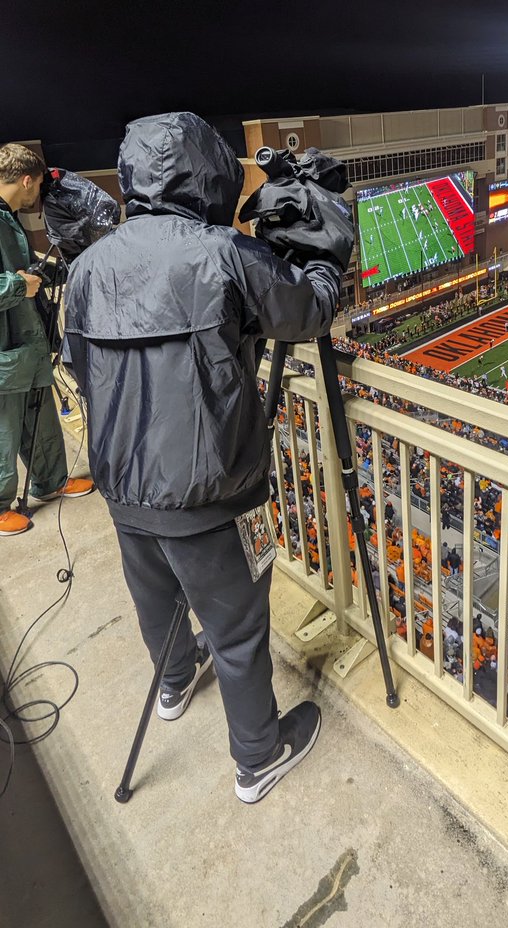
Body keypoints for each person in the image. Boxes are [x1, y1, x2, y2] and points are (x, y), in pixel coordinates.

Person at [64, 113, 352, 804]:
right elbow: (310, 311)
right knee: (238, 630)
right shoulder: (222, 252)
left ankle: (172, 684)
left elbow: (77, 365)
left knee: (155, 600)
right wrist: (321, 254)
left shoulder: (86, 267)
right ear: (208, 175)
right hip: (211, 493)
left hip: (123, 486)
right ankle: (258, 756)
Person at [0, 143, 94, 537]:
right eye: (38, 186)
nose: (38, 195)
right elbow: (14, 279)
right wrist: (17, 285)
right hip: (5, 348)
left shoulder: (8, 219)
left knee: (40, 418)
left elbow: (22, 267)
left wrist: (59, 270)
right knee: (4, 429)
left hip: (27, 345)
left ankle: (50, 481)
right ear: (27, 180)